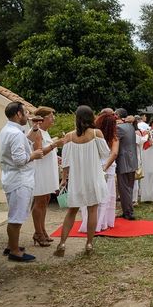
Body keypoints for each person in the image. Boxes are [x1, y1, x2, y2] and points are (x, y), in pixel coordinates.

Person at [55, 106, 110, 257]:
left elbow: (65, 162)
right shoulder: (96, 133)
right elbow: (106, 153)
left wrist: (65, 179)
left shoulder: (69, 136)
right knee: (92, 209)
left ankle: (62, 243)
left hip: (77, 179)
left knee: (71, 211)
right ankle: (89, 244)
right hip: (93, 177)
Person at [0, 102, 45, 262]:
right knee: (16, 217)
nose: (27, 115)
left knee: (14, 214)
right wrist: (34, 155)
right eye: (25, 112)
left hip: (11, 177)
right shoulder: (15, 133)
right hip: (19, 180)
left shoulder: (8, 129)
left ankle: (12, 245)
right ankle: (15, 251)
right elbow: (19, 160)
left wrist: (35, 128)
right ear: (18, 114)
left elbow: (22, 143)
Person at [78, 112, 119, 233]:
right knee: (105, 197)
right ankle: (101, 223)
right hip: (107, 168)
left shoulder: (91, 135)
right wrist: (106, 167)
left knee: (91, 196)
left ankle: (88, 222)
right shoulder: (113, 137)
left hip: (92, 167)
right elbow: (114, 153)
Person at [31, 106, 62, 246]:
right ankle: (38, 232)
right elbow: (39, 152)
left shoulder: (45, 133)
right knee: (40, 201)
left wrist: (56, 157)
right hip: (40, 171)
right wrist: (55, 145)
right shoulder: (37, 133)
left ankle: (42, 230)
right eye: (51, 116)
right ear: (42, 119)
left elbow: (48, 152)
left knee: (46, 199)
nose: (53, 119)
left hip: (48, 170)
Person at [114, 108, 138, 220]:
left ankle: (128, 212)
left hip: (124, 160)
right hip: (132, 159)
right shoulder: (130, 126)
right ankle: (128, 210)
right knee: (129, 187)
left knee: (124, 188)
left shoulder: (118, 128)